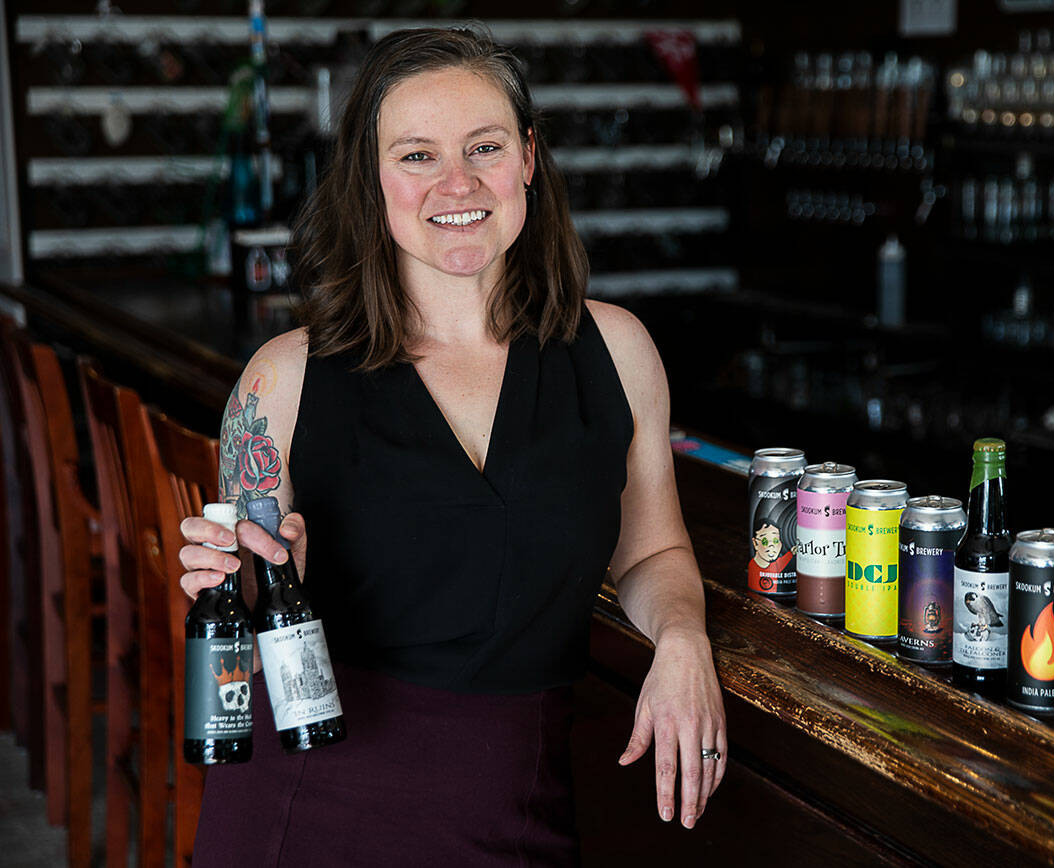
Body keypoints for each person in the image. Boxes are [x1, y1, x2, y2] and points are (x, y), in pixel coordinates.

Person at [178, 26, 726, 865]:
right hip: (314, 804)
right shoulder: (283, 380)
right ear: (370, 180)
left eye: (485, 147)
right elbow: (247, 600)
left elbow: (652, 548)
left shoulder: (617, 353)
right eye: (417, 156)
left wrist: (684, 639)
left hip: (518, 800)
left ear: (529, 159)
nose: (458, 182)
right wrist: (250, 564)